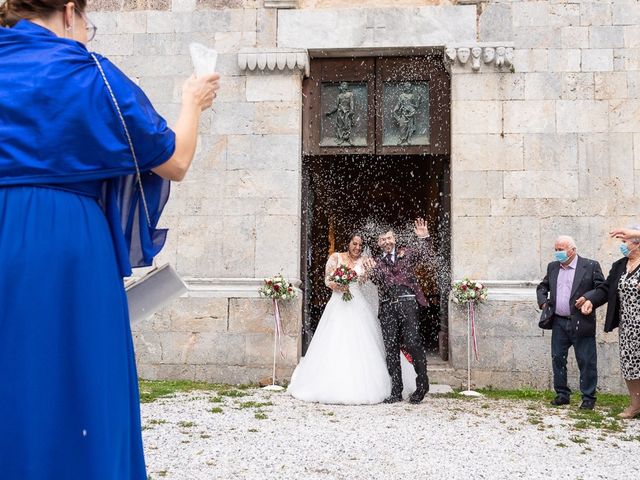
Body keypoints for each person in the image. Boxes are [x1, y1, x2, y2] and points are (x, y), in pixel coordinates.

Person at [0, 1, 219, 478]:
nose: (85, 35)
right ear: (68, 12)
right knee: (82, 381)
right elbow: (174, 161)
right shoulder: (89, 73)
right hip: (65, 239)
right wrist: (192, 100)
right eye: (86, 26)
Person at [287, 233, 395, 404]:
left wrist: (368, 271)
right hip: (337, 303)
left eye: (360, 245)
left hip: (358, 303)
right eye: (354, 244)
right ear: (348, 243)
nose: (357, 248)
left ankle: (363, 384)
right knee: (334, 338)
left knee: (360, 341)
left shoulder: (366, 260)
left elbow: (365, 281)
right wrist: (338, 285)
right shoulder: (336, 257)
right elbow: (327, 279)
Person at [364, 219, 431, 404]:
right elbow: (378, 282)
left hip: (408, 303)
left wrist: (424, 238)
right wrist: (371, 273)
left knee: (412, 342)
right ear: (378, 243)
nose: (386, 241)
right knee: (391, 348)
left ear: (394, 238)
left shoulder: (407, 253)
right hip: (387, 307)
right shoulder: (376, 262)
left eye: (389, 238)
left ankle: (422, 384)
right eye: (382, 239)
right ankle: (396, 391)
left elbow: (425, 256)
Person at [536, 236, 604, 410]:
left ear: (572, 250)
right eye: (556, 249)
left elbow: (602, 289)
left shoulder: (590, 265)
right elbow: (542, 287)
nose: (558, 253)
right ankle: (562, 394)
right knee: (558, 358)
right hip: (559, 321)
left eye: (562, 249)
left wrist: (588, 298)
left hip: (582, 321)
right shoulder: (553, 267)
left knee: (586, 360)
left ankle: (588, 397)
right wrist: (544, 302)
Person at [580, 230, 640, 419]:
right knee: (630, 364)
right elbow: (606, 289)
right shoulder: (620, 265)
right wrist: (591, 300)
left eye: (625, 241)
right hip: (628, 326)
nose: (622, 245)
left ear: (637, 243)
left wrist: (631, 231)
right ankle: (635, 405)